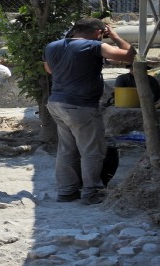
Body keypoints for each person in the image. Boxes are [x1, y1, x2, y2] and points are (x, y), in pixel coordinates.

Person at [43, 18, 135, 205]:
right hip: (81, 107)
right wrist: (116, 37)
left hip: (56, 103)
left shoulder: (52, 46)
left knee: (67, 149)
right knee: (92, 151)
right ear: (98, 32)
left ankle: (67, 192)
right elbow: (131, 56)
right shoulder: (94, 46)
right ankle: (92, 192)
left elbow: (50, 70)